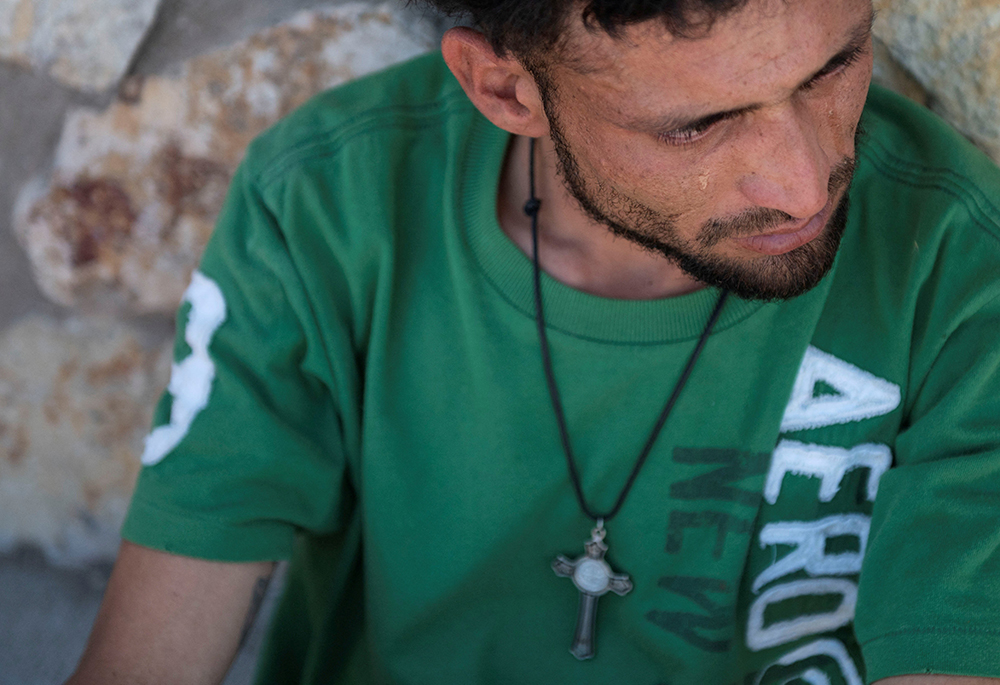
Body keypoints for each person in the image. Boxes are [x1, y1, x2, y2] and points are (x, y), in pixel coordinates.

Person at [68, 0, 1000, 683]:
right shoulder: (329, 204)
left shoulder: (958, 262)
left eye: (832, 70)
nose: (804, 184)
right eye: (698, 125)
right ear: (507, 89)